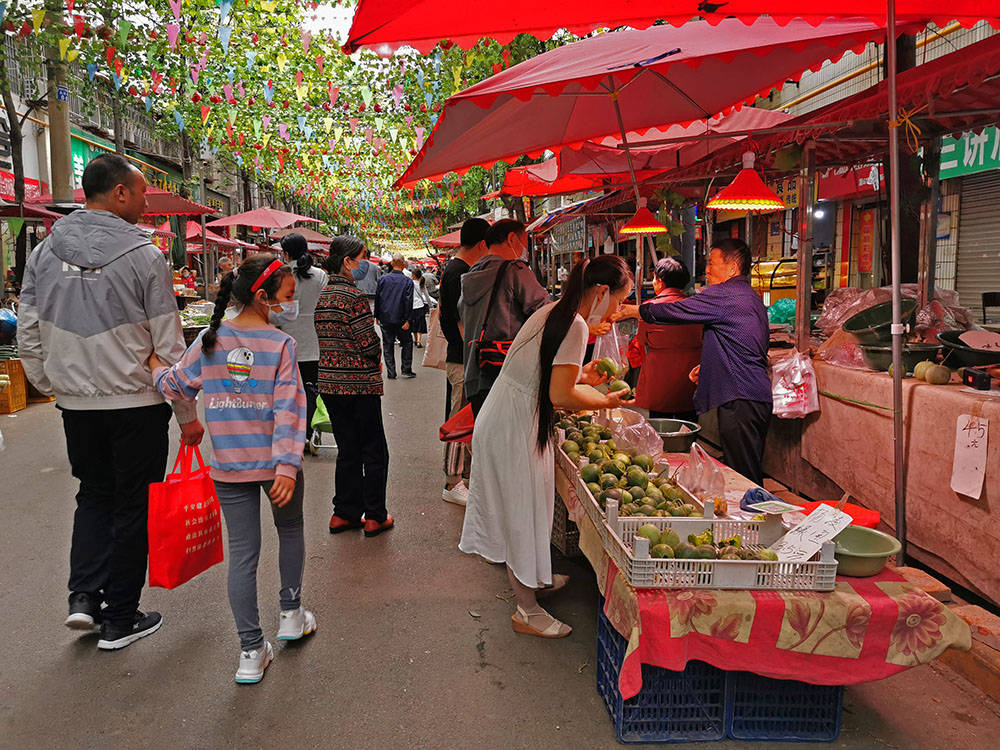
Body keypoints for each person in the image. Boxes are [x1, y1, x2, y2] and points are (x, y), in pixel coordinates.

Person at [17, 153, 204, 650]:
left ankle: (83, 599)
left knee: (93, 495)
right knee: (132, 504)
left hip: (76, 405)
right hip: (136, 404)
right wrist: (186, 414)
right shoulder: (145, 257)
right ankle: (120, 617)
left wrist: (49, 382)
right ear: (119, 193)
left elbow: (28, 326)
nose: (145, 202)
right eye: (142, 192)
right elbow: (167, 345)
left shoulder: (43, 252)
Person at [150, 253, 314, 684]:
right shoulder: (281, 345)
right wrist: (286, 466)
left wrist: (153, 366)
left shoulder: (209, 339)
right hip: (278, 469)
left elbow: (174, 385)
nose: (289, 305)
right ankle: (292, 614)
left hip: (229, 468)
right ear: (262, 297)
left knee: (244, 554)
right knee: (291, 530)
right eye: (286, 296)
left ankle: (249, 650)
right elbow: (290, 410)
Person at [460, 256, 634, 638]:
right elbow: (560, 393)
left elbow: (553, 374)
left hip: (512, 415)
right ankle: (527, 611)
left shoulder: (556, 311)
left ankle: (533, 577)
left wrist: (586, 376)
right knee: (522, 512)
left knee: (532, 507)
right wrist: (604, 401)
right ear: (602, 292)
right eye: (619, 301)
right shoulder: (574, 324)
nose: (618, 310)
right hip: (515, 423)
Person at [639, 238, 772, 484]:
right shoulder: (750, 297)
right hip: (753, 395)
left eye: (712, 263)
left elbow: (676, 311)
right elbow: (748, 344)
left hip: (741, 396)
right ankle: (752, 517)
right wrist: (710, 366)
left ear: (732, 268)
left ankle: (757, 518)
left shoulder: (725, 294)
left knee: (745, 475)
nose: (707, 270)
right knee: (746, 467)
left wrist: (636, 311)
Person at [316, 236, 394, 537]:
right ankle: (375, 515)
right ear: (348, 261)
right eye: (363, 256)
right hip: (359, 385)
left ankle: (344, 512)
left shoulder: (324, 296)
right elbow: (368, 343)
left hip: (331, 385)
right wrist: (375, 352)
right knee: (374, 451)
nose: (366, 262)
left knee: (347, 450)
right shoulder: (354, 298)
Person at [459, 219, 549, 416]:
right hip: (507, 376)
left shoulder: (471, 274)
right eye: (524, 242)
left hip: (474, 374)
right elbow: (544, 312)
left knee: (488, 440)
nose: (525, 249)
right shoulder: (515, 270)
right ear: (511, 239)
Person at [438, 218, 490, 506]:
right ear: (483, 244)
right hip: (462, 359)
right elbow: (462, 322)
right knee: (460, 419)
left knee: (467, 417)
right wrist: (474, 353)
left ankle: (463, 476)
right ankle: (452, 481)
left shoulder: (458, 270)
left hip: (463, 356)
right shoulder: (459, 273)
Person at [629, 258, 702, 421]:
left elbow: (642, 340)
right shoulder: (697, 307)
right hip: (691, 372)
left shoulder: (650, 309)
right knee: (689, 421)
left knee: (660, 423)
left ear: (660, 281)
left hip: (659, 374)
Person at [279, 232, 329, 449]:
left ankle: (292, 432)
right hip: (315, 342)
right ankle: (309, 432)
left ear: (286, 253)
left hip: (286, 342)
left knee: (288, 391)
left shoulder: (280, 275)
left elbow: (276, 310)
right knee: (311, 389)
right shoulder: (319, 275)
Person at [374, 253, 415, 379]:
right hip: (401, 318)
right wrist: (408, 319)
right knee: (407, 342)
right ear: (403, 265)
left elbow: (378, 298)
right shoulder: (408, 281)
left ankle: (391, 372)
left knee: (388, 344)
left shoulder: (383, 279)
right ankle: (406, 369)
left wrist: (377, 315)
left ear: (391, 263)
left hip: (385, 317)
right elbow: (408, 301)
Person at [410, 268, 432, 348]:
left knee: (414, 324)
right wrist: (431, 306)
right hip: (420, 306)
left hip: (411, 307)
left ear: (413, 275)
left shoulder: (410, 283)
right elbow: (427, 296)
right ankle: (418, 341)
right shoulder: (421, 284)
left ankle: (416, 340)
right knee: (419, 324)